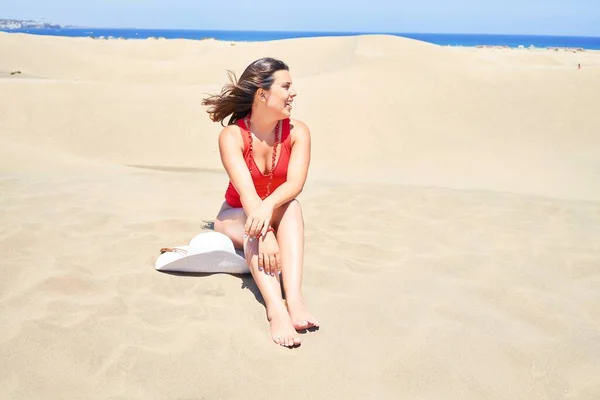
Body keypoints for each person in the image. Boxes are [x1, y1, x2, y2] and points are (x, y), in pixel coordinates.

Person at [201, 57, 319, 348]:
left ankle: (294, 299)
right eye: (286, 86)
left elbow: (295, 185)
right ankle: (275, 309)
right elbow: (247, 195)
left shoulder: (297, 132)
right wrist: (264, 232)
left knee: (293, 206)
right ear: (262, 94)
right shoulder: (232, 136)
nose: (293, 93)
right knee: (255, 224)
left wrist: (268, 211)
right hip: (236, 214)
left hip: (273, 211)